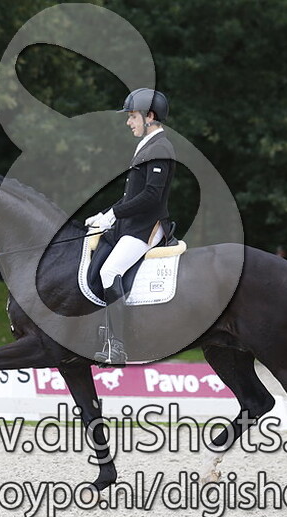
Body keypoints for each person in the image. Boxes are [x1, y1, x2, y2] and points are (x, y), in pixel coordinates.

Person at [84, 88, 176, 365]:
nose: (128, 122)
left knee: (109, 271)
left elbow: (151, 196)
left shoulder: (160, 148)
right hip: (131, 224)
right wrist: (105, 214)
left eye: (133, 116)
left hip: (146, 227)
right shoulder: (147, 145)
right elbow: (131, 196)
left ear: (150, 116)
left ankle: (118, 346)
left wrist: (113, 214)